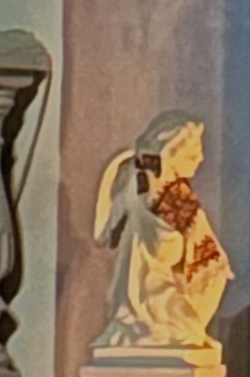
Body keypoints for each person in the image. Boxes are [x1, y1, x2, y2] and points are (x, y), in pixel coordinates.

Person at [91, 109, 232, 352]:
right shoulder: (158, 187)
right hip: (150, 291)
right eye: (193, 152)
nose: (200, 158)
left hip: (151, 286)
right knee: (184, 323)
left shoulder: (149, 182)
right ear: (171, 150)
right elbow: (184, 245)